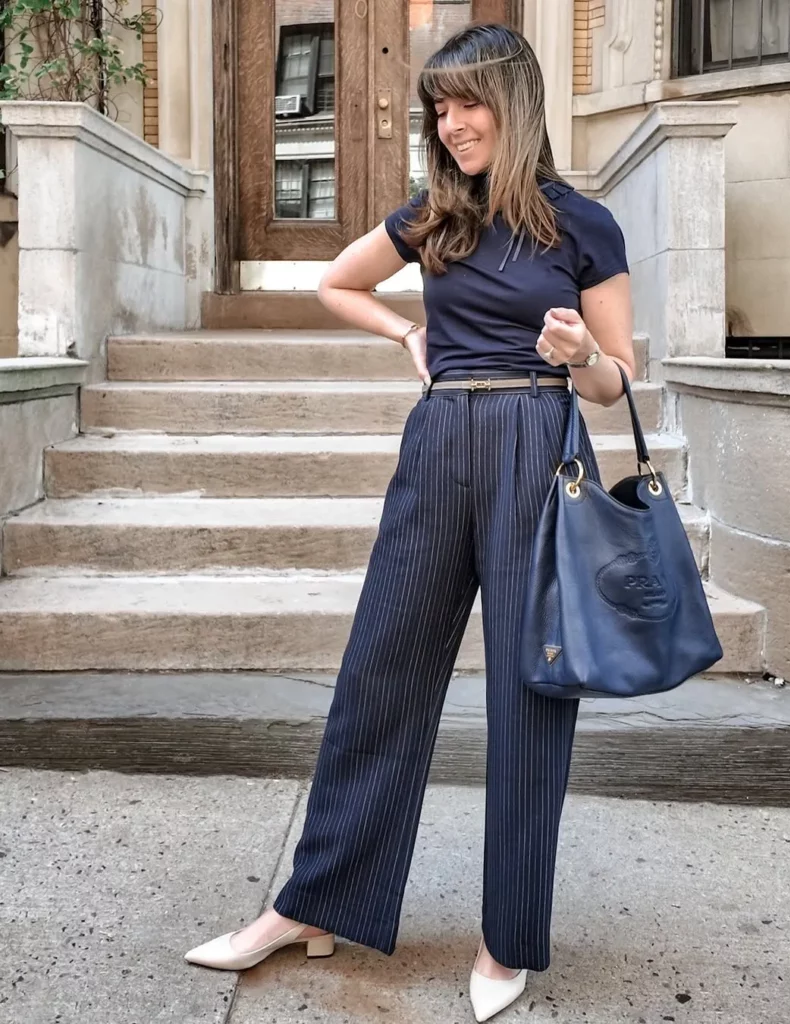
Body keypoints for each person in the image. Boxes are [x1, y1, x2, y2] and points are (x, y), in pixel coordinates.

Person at [185, 21, 634, 1023]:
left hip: (538, 439)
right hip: (439, 444)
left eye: (466, 102)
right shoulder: (438, 214)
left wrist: (576, 357)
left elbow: (617, 380)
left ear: (513, 102)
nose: (450, 122)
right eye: (439, 106)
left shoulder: (583, 225)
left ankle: (507, 935)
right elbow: (334, 280)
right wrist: (407, 332)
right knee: (379, 670)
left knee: (532, 691)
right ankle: (314, 902)